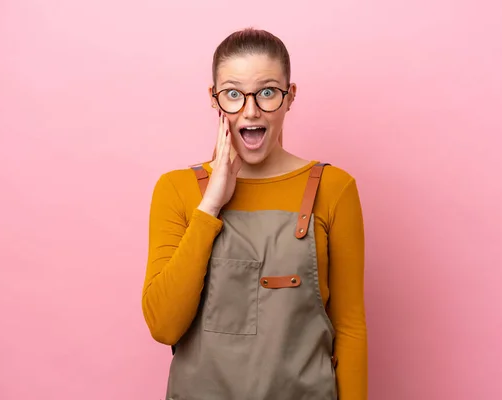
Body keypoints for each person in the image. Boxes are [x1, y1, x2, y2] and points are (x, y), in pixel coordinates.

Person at [141, 28, 367, 400]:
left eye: (267, 92)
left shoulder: (334, 188)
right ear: (214, 100)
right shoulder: (176, 190)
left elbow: (350, 328)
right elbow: (164, 326)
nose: (250, 110)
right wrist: (210, 205)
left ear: (290, 97)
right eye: (233, 94)